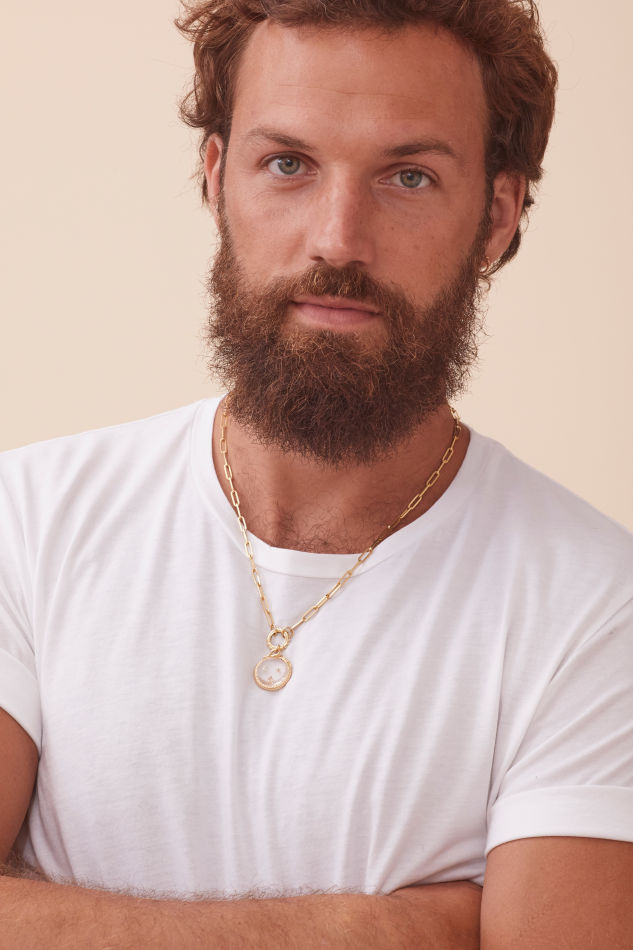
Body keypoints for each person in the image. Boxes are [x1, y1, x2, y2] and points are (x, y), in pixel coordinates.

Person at [1, 0, 632, 946]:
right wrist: (381, 929)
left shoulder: (597, 605)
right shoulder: (26, 520)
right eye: (288, 164)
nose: (338, 239)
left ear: (495, 218)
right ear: (215, 178)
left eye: (408, 176)